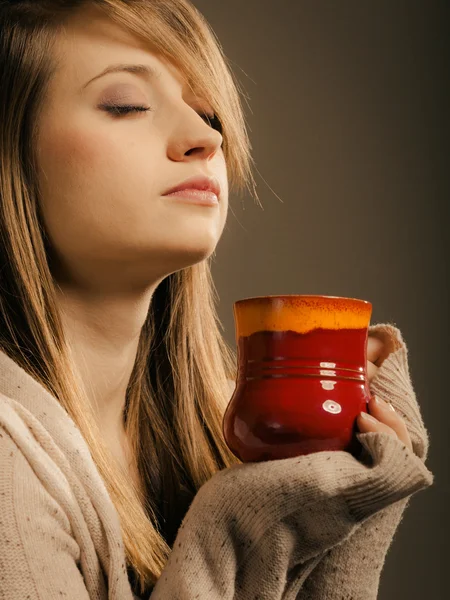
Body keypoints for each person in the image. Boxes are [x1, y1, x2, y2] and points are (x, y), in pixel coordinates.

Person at [0, 1, 433, 599]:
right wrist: (236, 521)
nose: (205, 137)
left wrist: (352, 509)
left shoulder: (217, 434)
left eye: (208, 112)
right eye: (126, 105)